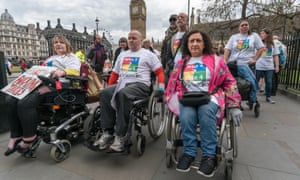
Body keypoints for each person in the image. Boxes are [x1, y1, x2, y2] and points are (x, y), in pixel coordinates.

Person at [164, 30, 242, 177]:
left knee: (205, 113)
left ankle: (209, 156)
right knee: (186, 117)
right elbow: (172, 84)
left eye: (198, 41)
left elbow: (230, 82)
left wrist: (234, 104)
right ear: (187, 44)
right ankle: (189, 153)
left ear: (204, 43)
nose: (194, 44)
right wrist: (167, 99)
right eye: (191, 41)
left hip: (210, 96)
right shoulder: (181, 63)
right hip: (187, 98)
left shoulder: (217, 61)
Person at [4, 35, 81, 156]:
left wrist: (63, 71)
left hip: (57, 86)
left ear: (67, 44)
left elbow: (75, 70)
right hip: (39, 82)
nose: (58, 44)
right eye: (55, 43)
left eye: (61, 42)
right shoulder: (50, 58)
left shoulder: (72, 57)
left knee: (26, 103)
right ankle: (16, 135)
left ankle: (29, 137)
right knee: (10, 99)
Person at [94, 30, 164, 153]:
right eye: (129, 38)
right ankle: (108, 132)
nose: (131, 40)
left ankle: (121, 135)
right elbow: (115, 73)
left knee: (123, 94)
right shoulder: (122, 55)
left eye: (134, 38)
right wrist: (110, 88)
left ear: (141, 41)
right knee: (105, 93)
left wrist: (162, 87)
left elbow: (159, 71)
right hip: (122, 83)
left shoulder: (148, 54)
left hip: (140, 85)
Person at [224, 20, 264, 109]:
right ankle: (235, 100)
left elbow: (261, 48)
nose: (244, 26)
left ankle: (252, 99)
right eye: (242, 25)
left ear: (249, 26)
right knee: (234, 84)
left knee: (251, 83)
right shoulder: (234, 37)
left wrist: (255, 59)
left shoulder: (254, 36)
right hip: (233, 65)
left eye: (246, 25)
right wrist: (224, 61)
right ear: (239, 28)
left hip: (247, 64)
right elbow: (227, 49)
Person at [162, 12, 189, 84]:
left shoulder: (190, 36)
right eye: (178, 18)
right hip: (173, 71)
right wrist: (172, 66)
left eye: (182, 17)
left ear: (187, 22)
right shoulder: (172, 38)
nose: (179, 19)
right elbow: (168, 55)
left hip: (187, 70)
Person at [256, 28, 280, 104]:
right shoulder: (258, 43)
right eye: (260, 33)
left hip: (269, 67)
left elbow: (275, 55)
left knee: (269, 82)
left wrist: (277, 66)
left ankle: (268, 97)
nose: (261, 35)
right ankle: (252, 97)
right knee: (255, 82)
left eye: (263, 33)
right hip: (258, 66)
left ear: (268, 34)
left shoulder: (273, 44)